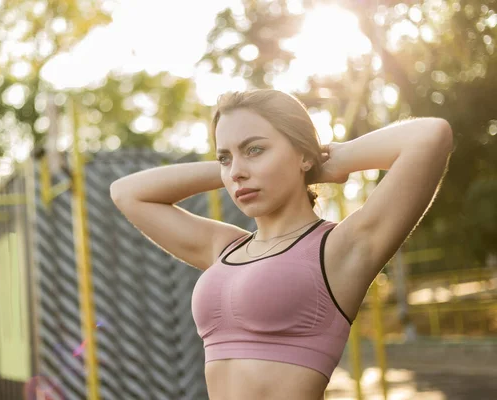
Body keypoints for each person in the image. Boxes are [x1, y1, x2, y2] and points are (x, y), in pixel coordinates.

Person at [110, 89, 453, 400]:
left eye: (255, 149)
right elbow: (127, 193)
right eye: (225, 157)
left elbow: (430, 135)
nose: (236, 172)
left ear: (302, 153)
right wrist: (238, 169)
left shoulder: (339, 249)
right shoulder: (224, 248)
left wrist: (325, 162)